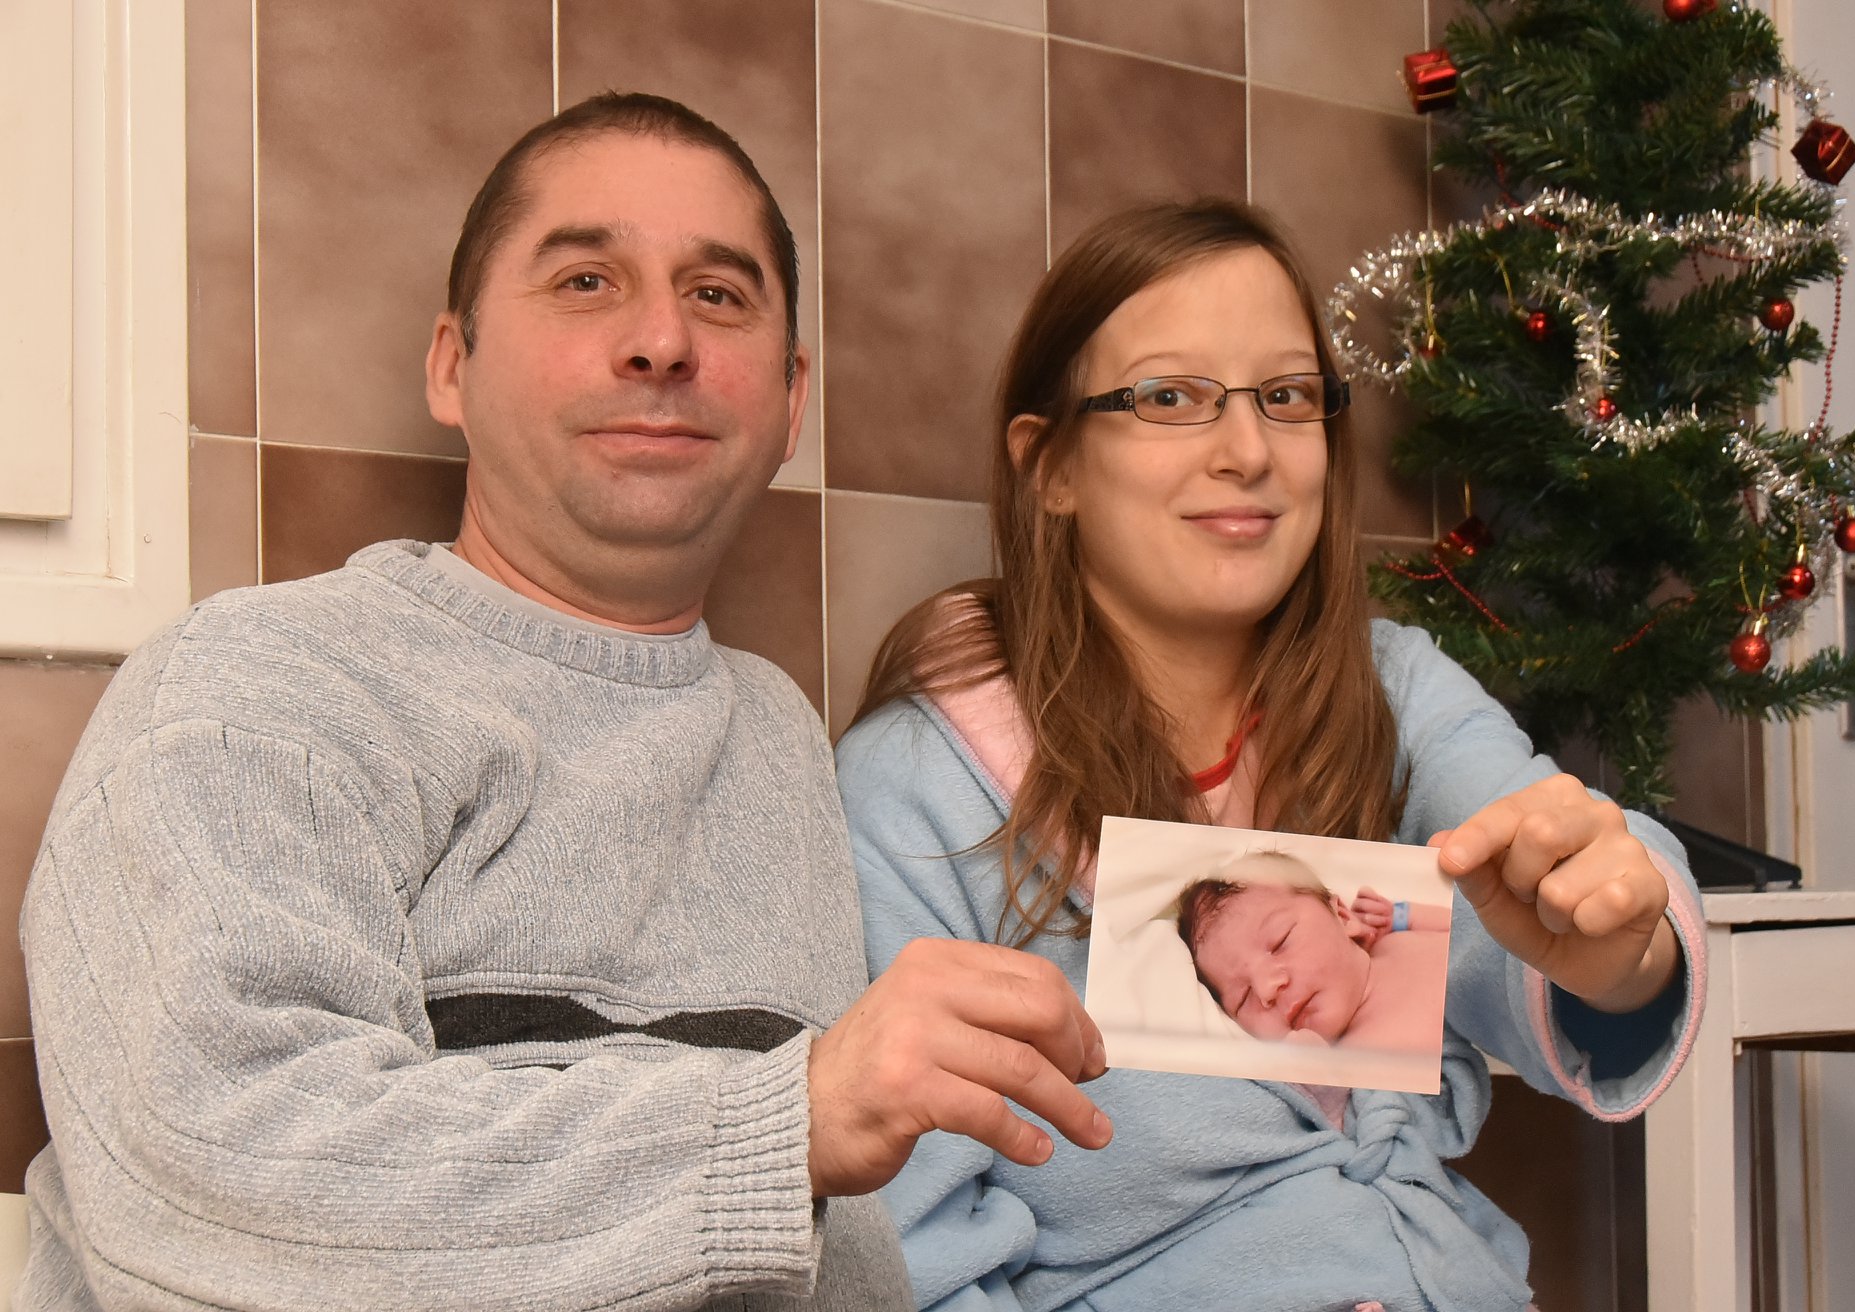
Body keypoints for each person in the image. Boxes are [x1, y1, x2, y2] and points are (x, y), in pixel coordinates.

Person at [18, 93, 1109, 1312]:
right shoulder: (258, 684)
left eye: (719, 295)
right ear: (453, 364)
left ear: (791, 400)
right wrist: (784, 1122)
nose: (662, 341)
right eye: (587, 281)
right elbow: (211, 1176)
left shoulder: (775, 731)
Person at [835, 200, 1706, 1311]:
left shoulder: (1393, 692)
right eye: (1169, 397)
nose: (1247, 452)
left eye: (1287, 397)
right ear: (1049, 465)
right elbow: (911, 1256)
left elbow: (1560, 860)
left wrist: (1623, 948)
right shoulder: (914, 792)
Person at [1173, 854, 1450, 1051]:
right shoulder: (1348, 1065)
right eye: (1243, 997)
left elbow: (1463, 929)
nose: (1267, 989)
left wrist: (1404, 915)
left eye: (1279, 942)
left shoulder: (1396, 942)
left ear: (1343, 917)